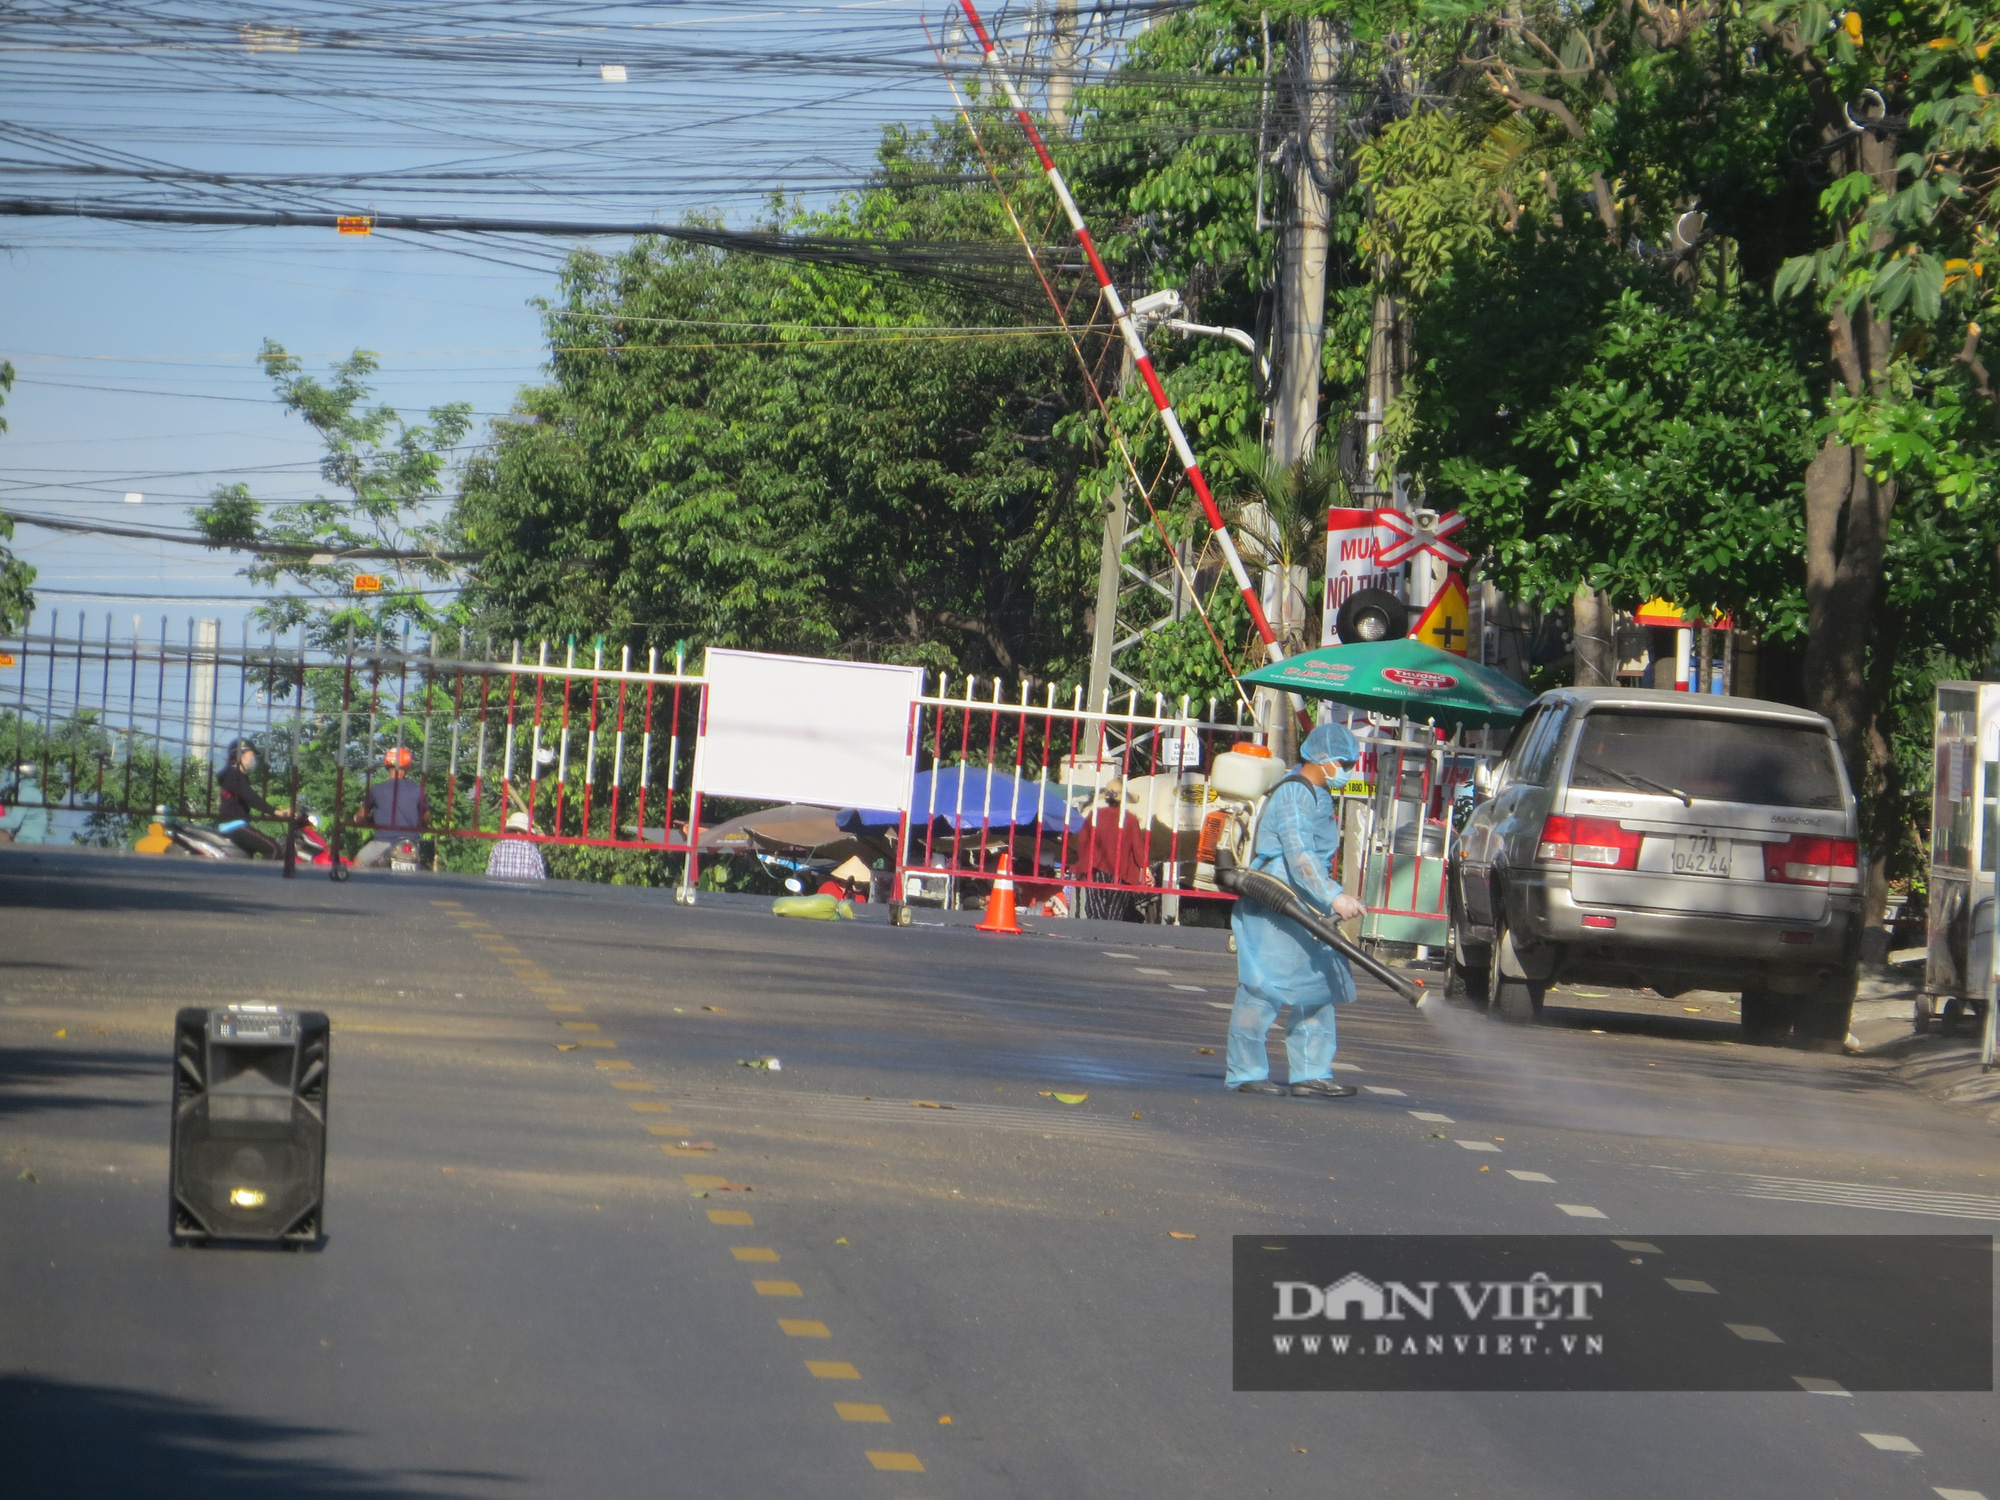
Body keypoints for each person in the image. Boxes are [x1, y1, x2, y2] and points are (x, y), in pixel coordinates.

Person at [1226, 721, 1368, 1100]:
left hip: (1302, 901)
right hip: (1274, 902)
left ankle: (1312, 1072)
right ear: (1322, 759)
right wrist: (1334, 896)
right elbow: (1299, 853)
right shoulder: (1294, 794)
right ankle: (1246, 1071)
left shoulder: (1317, 793)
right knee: (1262, 988)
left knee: (1316, 986)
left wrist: (1327, 896)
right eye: (1344, 761)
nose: (1349, 769)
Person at [1077, 776, 1151, 921]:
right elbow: (1138, 848)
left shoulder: (1094, 815)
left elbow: (1083, 842)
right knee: (1114, 912)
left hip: (1096, 868)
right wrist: (1146, 869)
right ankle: (1108, 938)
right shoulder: (1129, 818)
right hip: (1121, 871)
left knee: (1095, 908)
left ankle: (1095, 937)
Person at [356, 747, 430, 869]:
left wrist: (356, 820)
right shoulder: (418, 790)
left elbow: (361, 815)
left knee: (358, 862)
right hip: (410, 843)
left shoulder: (377, 789)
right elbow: (426, 816)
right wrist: (423, 825)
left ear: (387, 766)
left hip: (383, 842)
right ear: (407, 767)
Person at [215, 741, 290, 858]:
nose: (254, 758)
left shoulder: (233, 774)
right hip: (235, 826)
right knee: (274, 848)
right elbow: (251, 797)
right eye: (252, 754)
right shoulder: (234, 775)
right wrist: (276, 812)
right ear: (240, 755)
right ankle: (263, 876)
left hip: (235, 825)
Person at [0, 762, 52, 846]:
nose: (8, 779)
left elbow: (14, 822)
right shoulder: (32, 791)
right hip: (30, 841)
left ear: (20, 775)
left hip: (26, 843)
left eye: (11, 774)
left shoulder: (26, 793)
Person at [486, 810, 546, 880]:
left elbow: (490, 875)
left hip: (500, 890)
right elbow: (540, 879)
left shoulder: (498, 847)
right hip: (524, 890)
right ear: (523, 832)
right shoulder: (532, 850)